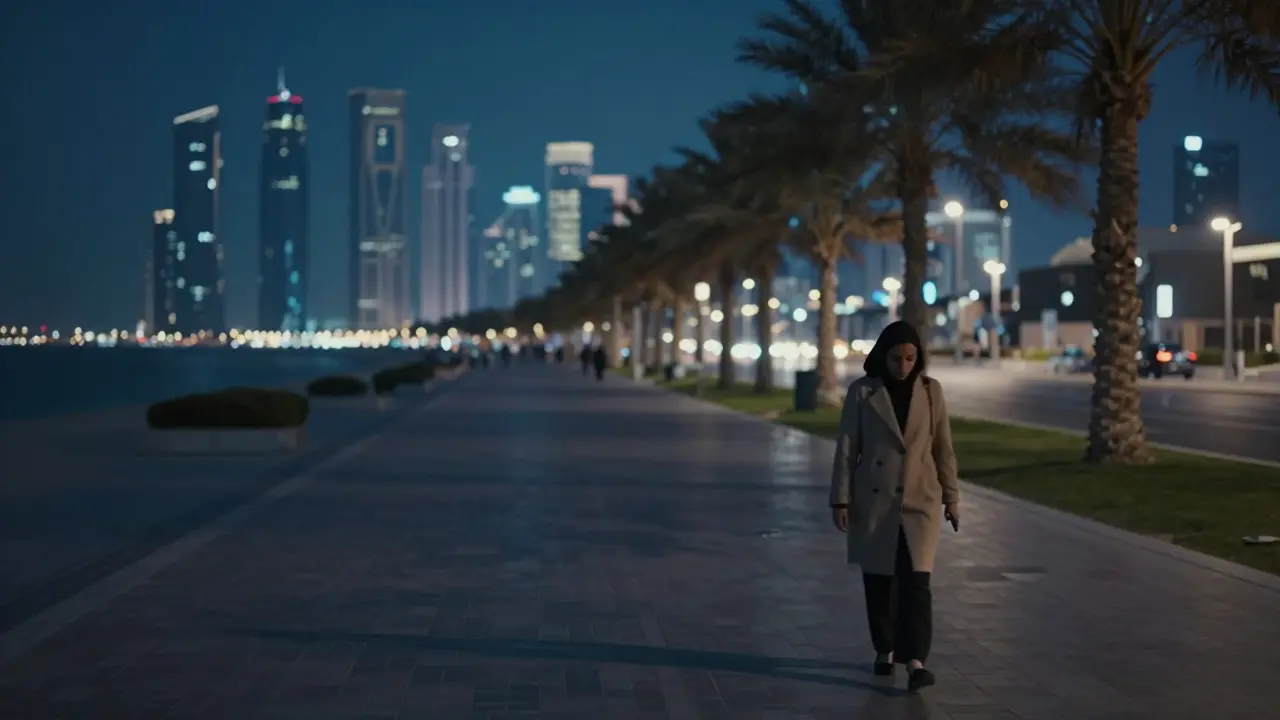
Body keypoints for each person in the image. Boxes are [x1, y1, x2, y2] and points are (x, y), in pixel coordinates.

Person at [828, 320, 960, 693]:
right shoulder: (863, 392)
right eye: (895, 357)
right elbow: (847, 447)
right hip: (875, 500)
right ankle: (884, 649)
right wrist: (840, 497)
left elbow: (943, 449)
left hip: (921, 500)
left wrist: (951, 496)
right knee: (880, 580)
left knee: (918, 582)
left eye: (909, 358)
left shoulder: (931, 393)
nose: (902, 365)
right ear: (881, 355)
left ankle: (916, 660)